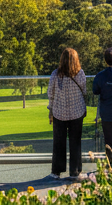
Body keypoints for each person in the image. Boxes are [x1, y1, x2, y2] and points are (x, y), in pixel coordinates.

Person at [46, 47, 87, 181]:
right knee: (75, 143)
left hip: (59, 113)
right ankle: (75, 171)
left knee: (58, 143)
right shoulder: (80, 74)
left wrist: (50, 110)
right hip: (77, 112)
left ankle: (56, 172)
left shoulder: (55, 75)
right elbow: (84, 91)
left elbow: (50, 94)